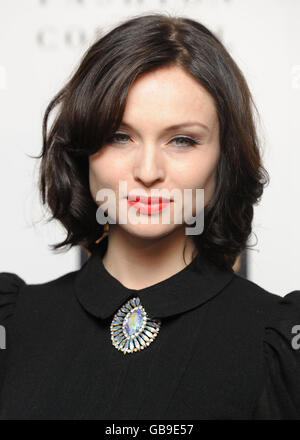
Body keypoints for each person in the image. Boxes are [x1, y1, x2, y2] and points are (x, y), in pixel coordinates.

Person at [0, 13, 299, 420]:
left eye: (182, 140)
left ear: (223, 158)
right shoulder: (14, 324)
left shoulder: (278, 343)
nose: (147, 171)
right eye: (119, 136)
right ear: (84, 148)